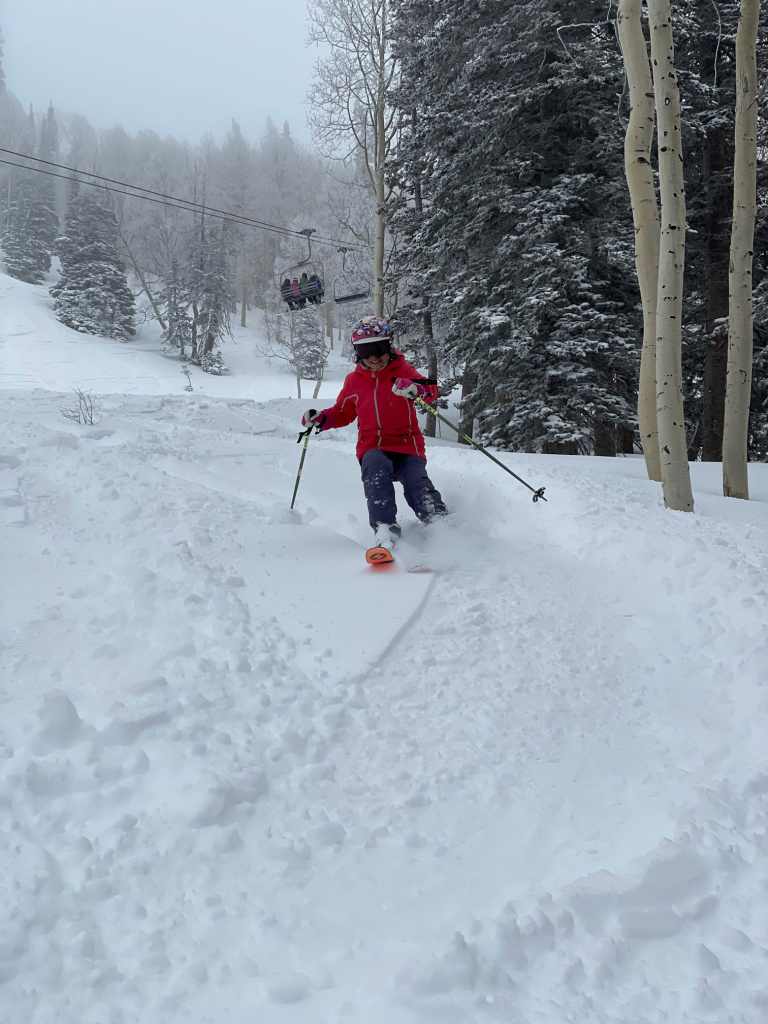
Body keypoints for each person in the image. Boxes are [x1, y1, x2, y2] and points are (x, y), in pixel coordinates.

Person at [301, 316, 448, 549]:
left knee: (415, 480)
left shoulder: (403, 370)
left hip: (407, 443)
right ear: (357, 353)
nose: (373, 356)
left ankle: (440, 524)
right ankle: (385, 529)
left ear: (388, 345)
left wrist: (415, 388)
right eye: (364, 350)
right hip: (373, 445)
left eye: (377, 347)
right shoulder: (354, 381)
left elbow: (430, 390)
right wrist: (321, 419)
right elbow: (342, 413)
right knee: (375, 472)